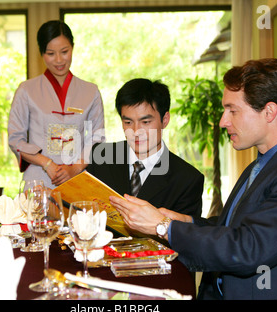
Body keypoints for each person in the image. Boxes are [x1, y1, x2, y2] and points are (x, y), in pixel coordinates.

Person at [110, 59, 277, 299]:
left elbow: (249, 249)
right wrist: (185, 221)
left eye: (233, 110)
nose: (223, 121)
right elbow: (236, 228)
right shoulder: (264, 162)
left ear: (269, 112)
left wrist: (163, 227)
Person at [87, 78, 204, 237]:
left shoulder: (187, 179)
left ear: (165, 120)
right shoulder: (101, 157)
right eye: (128, 122)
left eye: (146, 122)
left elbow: (184, 240)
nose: (136, 131)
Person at [8, 20, 105, 189]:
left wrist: (75, 168)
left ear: (73, 48)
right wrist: (47, 164)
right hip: (38, 179)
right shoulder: (26, 91)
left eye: (64, 51)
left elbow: (97, 137)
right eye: (51, 53)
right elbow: (16, 139)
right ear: (41, 53)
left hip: (77, 179)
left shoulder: (91, 92)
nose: (59, 60)